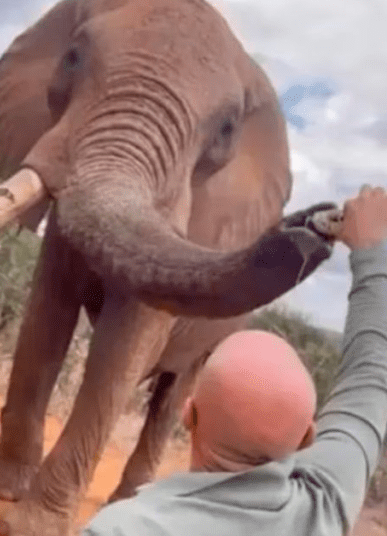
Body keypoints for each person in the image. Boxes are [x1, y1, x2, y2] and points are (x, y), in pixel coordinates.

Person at [84, 184, 387, 535]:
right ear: (307, 439)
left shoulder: (120, 529)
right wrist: (373, 254)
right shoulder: (323, 508)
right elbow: (372, 376)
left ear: (188, 414)